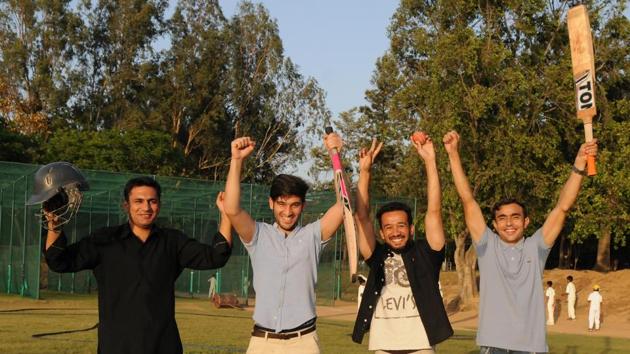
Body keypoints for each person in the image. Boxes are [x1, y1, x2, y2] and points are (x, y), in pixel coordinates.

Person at [42, 173, 233, 354]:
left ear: (159, 205)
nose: (146, 207)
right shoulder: (104, 241)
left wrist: (226, 216)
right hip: (116, 346)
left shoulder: (173, 242)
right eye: (138, 201)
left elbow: (217, 256)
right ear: (126, 205)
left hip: (163, 345)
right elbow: (59, 261)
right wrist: (54, 224)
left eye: (152, 201)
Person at [443, 130, 598, 353]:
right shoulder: (487, 246)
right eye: (502, 218)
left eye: (515, 217)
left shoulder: (536, 248)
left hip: (531, 348)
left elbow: (562, 207)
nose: (509, 224)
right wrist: (453, 153)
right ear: (494, 225)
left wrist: (579, 165)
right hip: (493, 346)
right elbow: (467, 200)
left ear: (526, 222)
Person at [223, 134, 344, 354]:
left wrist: (335, 154)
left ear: (303, 206)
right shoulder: (258, 234)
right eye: (281, 204)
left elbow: (343, 205)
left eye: (295, 205)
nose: (287, 212)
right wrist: (236, 160)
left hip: (304, 342)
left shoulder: (313, 236)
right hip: (262, 342)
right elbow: (231, 210)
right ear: (271, 203)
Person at [351, 133, 453, 353]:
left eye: (401, 225)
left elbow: (434, 210)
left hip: (421, 346)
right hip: (383, 346)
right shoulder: (376, 255)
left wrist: (430, 161)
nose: (395, 232)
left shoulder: (427, 253)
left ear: (411, 228)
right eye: (388, 227)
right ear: (381, 232)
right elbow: (361, 216)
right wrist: (365, 172)